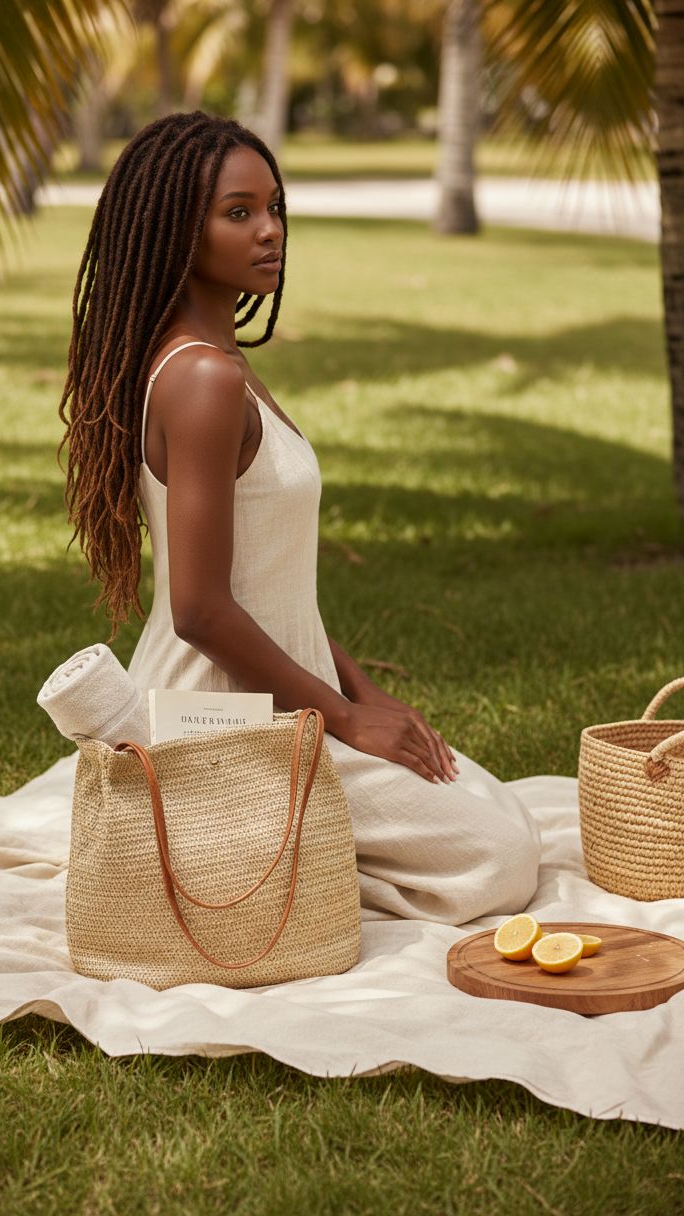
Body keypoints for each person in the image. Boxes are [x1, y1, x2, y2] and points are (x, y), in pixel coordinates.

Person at [59, 110, 541, 926]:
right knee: (500, 857)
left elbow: (271, 582)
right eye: (238, 212)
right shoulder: (202, 380)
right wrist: (346, 719)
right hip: (223, 714)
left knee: (494, 808)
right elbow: (203, 610)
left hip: (287, 692)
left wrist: (363, 691)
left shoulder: (218, 367)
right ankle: (243, 860)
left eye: (275, 207)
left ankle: (263, 851)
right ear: (177, 230)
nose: (270, 231)